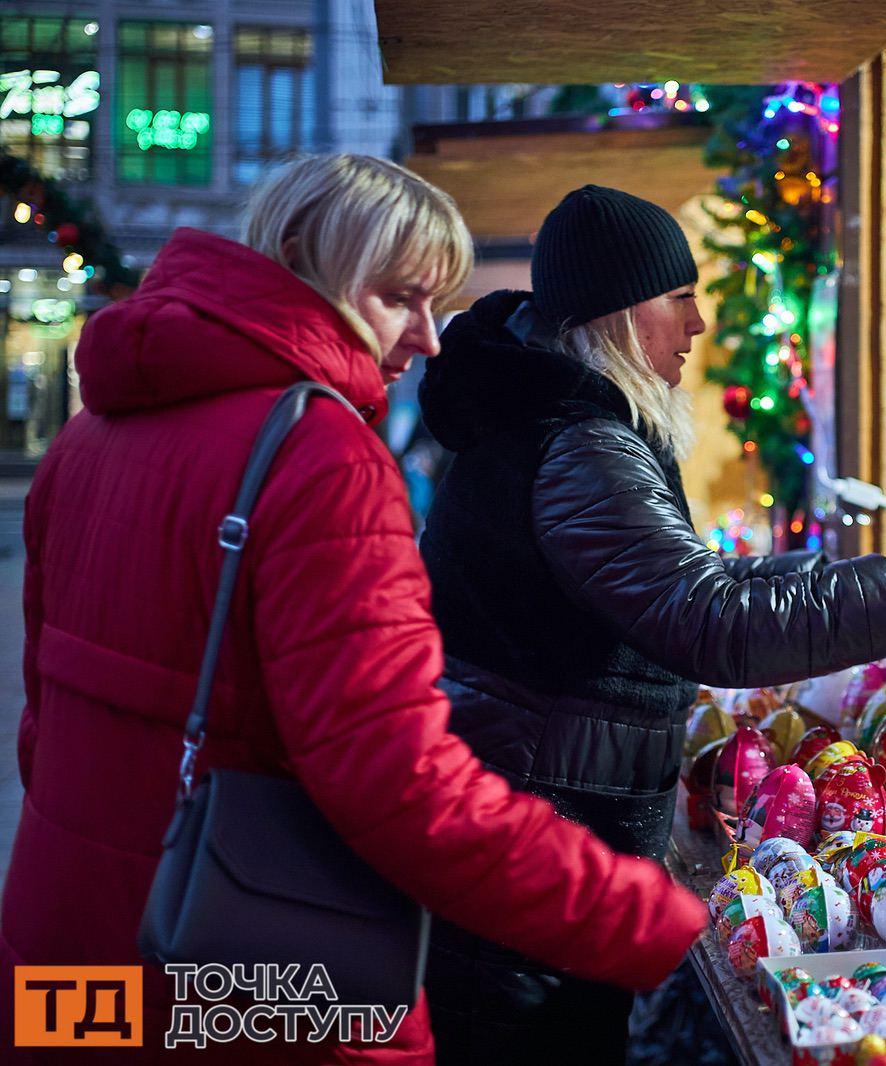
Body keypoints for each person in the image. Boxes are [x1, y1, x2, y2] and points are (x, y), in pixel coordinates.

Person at [0, 157, 706, 1064]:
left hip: (65, 953)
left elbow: (41, 722)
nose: (428, 338)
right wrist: (640, 919)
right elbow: (398, 783)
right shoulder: (320, 457)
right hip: (239, 977)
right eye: (398, 297)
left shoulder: (89, 436)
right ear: (304, 262)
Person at [416, 184, 886, 1059]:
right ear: (618, 313)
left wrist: (878, 581)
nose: (696, 324)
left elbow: (697, 579)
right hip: (539, 846)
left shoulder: (549, 419)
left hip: (536, 834)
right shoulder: (578, 443)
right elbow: (709, 617)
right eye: (677, 298)